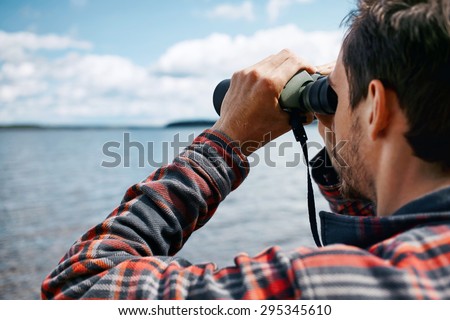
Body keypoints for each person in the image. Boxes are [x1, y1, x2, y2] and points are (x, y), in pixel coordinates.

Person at [42, 0, 450, 299]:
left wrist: (226, 141)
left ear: (377, 106)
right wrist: (349, 118)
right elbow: (389, 230)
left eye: (336, 94)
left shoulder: (324, 288)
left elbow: (78, 289)